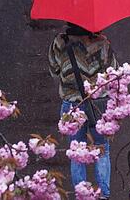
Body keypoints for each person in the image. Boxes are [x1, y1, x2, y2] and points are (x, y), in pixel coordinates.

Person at [48, 22, 118, 199]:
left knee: (76, 152)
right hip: (98, 103)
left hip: (72, 104)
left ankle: (82, 194)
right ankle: (104, 194)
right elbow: (114, 72)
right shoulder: (102, 43)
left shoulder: (60, 42)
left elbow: (54, 71)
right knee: (102, 148)